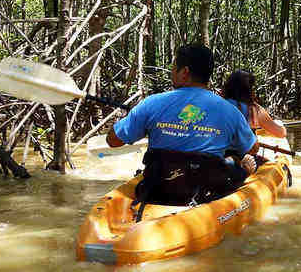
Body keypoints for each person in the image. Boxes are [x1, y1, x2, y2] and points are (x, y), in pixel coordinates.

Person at [106, 44, 258, 208]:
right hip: (207, 193)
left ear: (184, 72)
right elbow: (252, 148)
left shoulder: (151, 103)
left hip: (158, 190)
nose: (172, 73)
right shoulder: (231, 111)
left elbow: (112, 140)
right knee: (237, 162)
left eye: (173, 68)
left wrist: (139, 118)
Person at [222, 70, 287, 138]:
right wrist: (282, 127)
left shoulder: (217, 104)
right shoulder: (254, 110)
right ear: (249, 89)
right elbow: (281, 133)